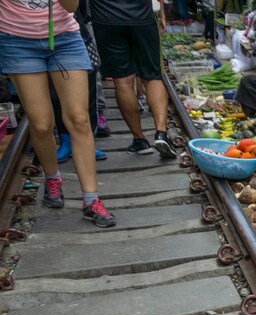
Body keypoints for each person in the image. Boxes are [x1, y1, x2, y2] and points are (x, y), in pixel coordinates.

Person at [0, 0, 117, 227]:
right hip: (17, 42)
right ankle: (53, 178)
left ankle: (91, 200)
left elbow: (72, 6)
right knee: (42, 124)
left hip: (65, 39)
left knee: (79, 119)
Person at [89, 0, 177, 158]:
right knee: (152, 77)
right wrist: (161, 12)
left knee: (122, 81)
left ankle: (139, 140)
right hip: (142, 17)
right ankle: (161, 134)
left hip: (107, 19)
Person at [52, 0, 107, 163]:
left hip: (77, 27)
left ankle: (87, 140)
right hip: (41, 32)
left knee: (88, 89)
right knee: (55, 94)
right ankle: (65, 140)